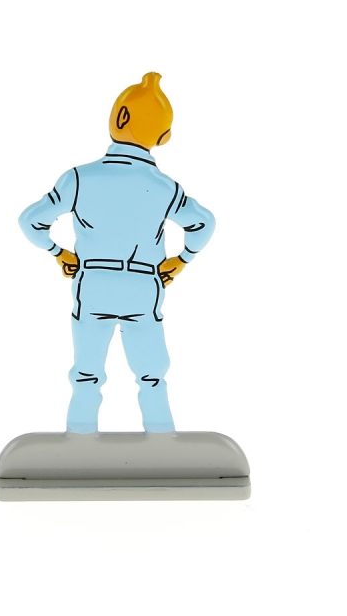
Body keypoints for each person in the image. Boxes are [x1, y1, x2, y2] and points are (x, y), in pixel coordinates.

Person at [18, 73, 215, 433]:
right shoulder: (165, 187)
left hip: (93, 282)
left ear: (120, 117)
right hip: (143, 284)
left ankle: (79, 443)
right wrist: (181, 260)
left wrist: (58, 252)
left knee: (86, 374)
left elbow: (31, 220)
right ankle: (162, 442)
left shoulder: (79, 178)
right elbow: (203, 224)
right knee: (152, 376)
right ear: (164, 137)